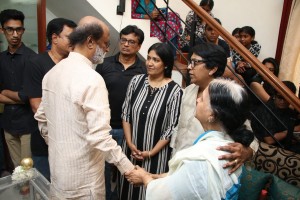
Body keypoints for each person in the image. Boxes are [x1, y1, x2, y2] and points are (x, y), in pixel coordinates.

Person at [34, 16, 134, 199]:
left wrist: (60, 145)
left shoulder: (52, 73)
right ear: (90, 41)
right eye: (105, 43)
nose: (106, 49)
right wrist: (129, 169)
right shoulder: (92, 79)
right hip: (84, 182)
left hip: (59, 174)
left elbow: (41, 117)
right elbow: (100, 137)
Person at [126, 78, 254, 199]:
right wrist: (151, 176)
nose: (197, 100)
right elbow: (181, 179)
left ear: (212, 115)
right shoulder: (227, 144)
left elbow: (164, 195)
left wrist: (144, 178)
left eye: (203, 99)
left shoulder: (201, 160)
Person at [171, 43, 258, 173]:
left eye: (195, 62)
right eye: (190, 62)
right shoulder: (189, 90)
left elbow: (249, 135)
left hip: (205, 169)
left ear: (212, 69)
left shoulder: (225, 97)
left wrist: (246, 151)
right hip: (179, 161)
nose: (189, 67)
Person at [119, 43, 182, 200]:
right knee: (127, 190)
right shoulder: (136, 81)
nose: (149, 63)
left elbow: (171, 128)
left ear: (166, 64)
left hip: (156, 155)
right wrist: (130, 143)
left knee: (150, 192)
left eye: (156, 60)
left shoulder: (175, 91)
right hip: (130, 151)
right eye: (148, 58)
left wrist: (150, 153)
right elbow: (126, 113)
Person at [96, 25, 146, 200]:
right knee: (102, 171)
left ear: (139, 46)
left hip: (129, 131)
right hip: (104, 127)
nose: (126, 44)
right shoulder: (104, 64)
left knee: (127, 170)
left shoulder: (144, 69)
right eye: (123, 40)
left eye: (131, 42)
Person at [23, 18, 77, 180]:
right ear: (54, 38)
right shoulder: (36, 63)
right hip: (45, 141)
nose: (74, 42)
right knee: (45, 188)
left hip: (71, 142)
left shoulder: (73, 64)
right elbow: (36, 105)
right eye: (70, 37)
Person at [0, 9, 36, 167]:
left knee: (29, 168)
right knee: (18, 170)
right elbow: (22, 96)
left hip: (28, 124)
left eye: (18, 29)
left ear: (23, 30)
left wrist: (5, 92)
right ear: (2, 30)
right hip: (8, 122)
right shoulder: (0, 58)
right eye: (10, 29)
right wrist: (20, 98)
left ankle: (30, 192)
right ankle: (23, 191)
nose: (15, 34)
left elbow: (30, 96)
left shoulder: (32, 58)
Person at [251, 81, 300, 153]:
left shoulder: (289, 112)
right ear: (274, 96)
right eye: (280, 97)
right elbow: (269, 140)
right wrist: (291, 130)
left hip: (285, 146)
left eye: (286, 98)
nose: (283, 101)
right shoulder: (266, 110)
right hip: (264, 149)